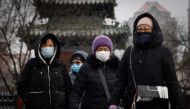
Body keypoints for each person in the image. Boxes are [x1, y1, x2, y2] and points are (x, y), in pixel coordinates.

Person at [109, 13, 184, 109]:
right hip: (133, 104)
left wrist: (177, 104)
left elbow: (172, 82)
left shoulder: (163, 52)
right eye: (139, 29)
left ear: (153, 30)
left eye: (146, 28)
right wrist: (113, 102)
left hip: (157, 105)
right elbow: (120, 81)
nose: (143, 31)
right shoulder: (129, 52)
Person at [17, 33, 72, 109]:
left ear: (55, 47)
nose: (47, 48)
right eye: (45, 45)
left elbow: (68, 88)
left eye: (50, 46)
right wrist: (29, 99)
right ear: (39, 46)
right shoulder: (32, 64)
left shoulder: (60, 66)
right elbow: (21, 86)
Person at [69, 35, 119, 109]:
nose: (103, 52)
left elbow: (122, 90)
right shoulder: (86, 68)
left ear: (110, 51)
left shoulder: (116, 67)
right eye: (99, 49)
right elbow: (76, 91)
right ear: (94, 51)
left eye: (105, 49)